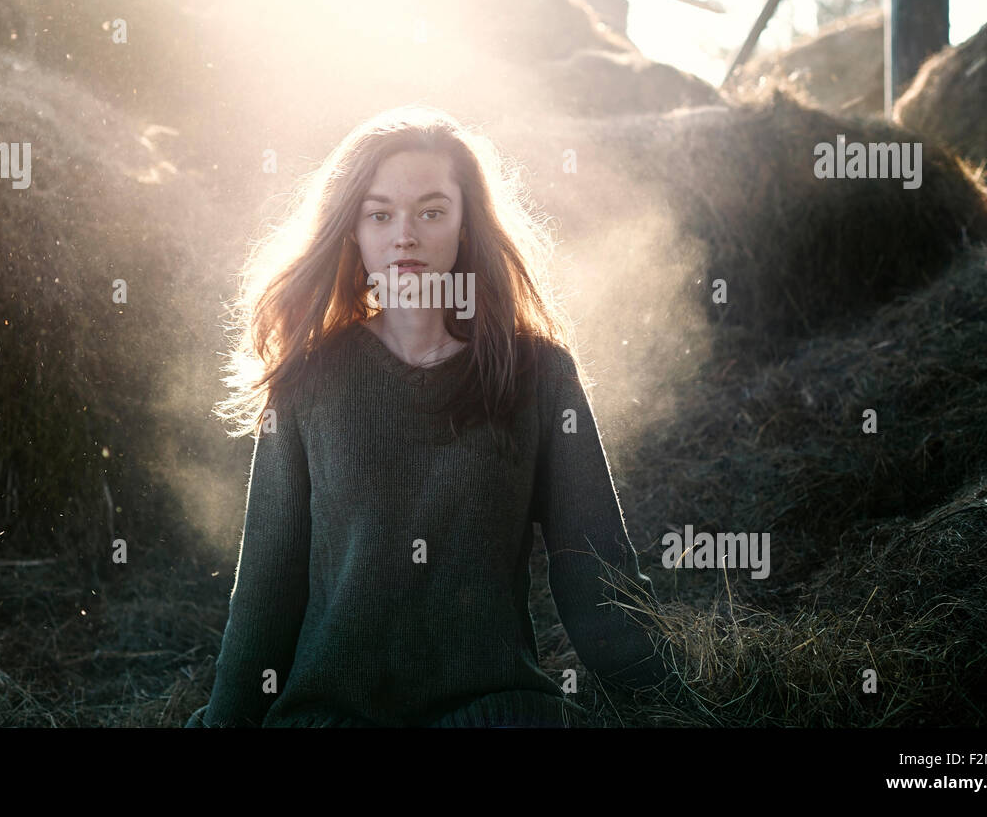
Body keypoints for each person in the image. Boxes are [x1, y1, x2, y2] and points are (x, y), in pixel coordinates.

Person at [186, 105, 671, 728]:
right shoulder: (308, 381)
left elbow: (598, 577)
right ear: (352, 232)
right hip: (333, 716)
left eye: (432, 211)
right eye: (380, 213)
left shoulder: (539, 374)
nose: (404, 235)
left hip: (496, 714)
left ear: (466, 226)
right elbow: (267, 587)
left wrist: (677, 710)